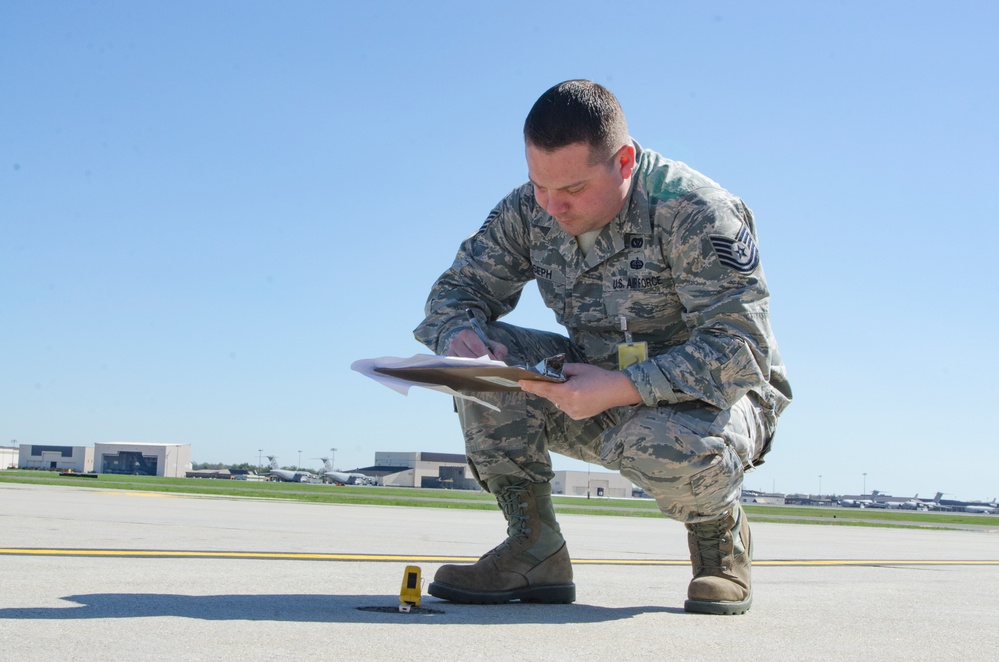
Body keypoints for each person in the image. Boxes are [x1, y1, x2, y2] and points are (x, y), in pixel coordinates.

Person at [413, 80, 791, 615]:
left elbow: (740, 351)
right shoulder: (531, 208)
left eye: (572, 189)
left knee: (653, 441)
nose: (552, 206)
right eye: (539, 185)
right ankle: (534, 547)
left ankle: (718, 540)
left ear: (625, 161)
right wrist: (460, 338)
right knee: (483, 368)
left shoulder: (694, 211)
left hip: (711, 403)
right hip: (593, 381)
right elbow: (454, 294)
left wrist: (621, 387)